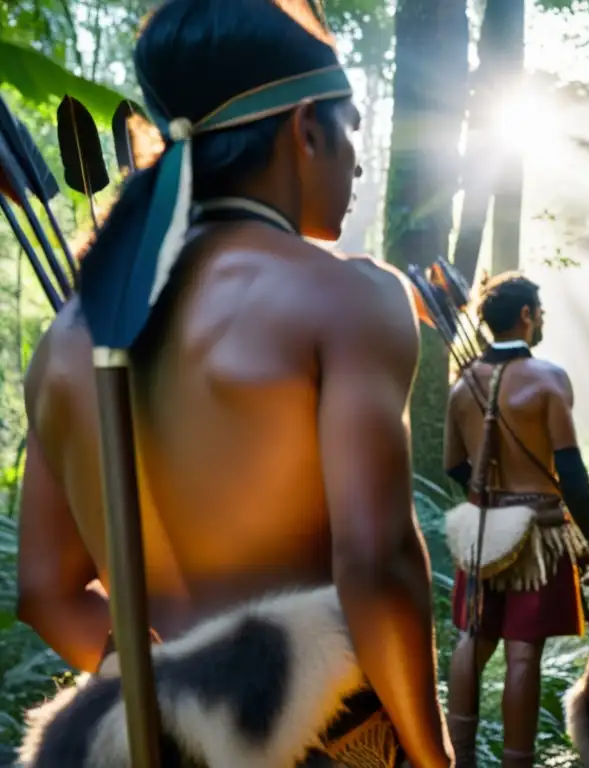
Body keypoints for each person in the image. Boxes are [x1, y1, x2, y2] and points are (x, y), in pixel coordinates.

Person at [15, 1, 451, 765]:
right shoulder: (351, 296)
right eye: (350, 129)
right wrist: (431, 755)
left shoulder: (67, 338)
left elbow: (46, 592)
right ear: (305, 127)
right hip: (329, 740)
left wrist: (174, 701)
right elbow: (376, 564)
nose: (357, 159)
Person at [441, 273, 589, 767]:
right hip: (539, 533)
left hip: (483, 530)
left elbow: (454, 465)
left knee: (473, 638)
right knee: (522, 654)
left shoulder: (462, 385)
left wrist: (490, 495)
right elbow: (571, 468)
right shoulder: (549, 379)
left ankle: (459, 759)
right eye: (540, 312)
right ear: (528, 315)